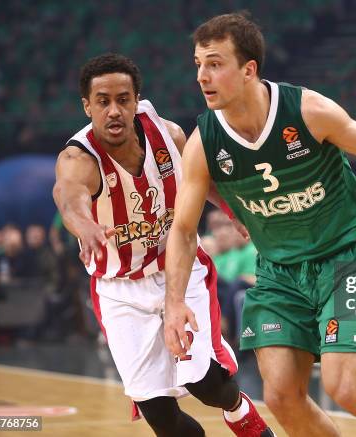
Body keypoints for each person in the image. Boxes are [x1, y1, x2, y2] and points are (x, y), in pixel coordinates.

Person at [164, 13, 356, 437]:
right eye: (198, 64)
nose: (202, 75)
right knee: (281, 397)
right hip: (279, 272)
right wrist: (175, 302)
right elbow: (183, 230)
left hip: (348, 259)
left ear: (248, 69)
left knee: (344, 386)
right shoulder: (204, 143)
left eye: (214, 63)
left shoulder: (308, 110)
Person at [53, 53, 273, 437]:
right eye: (103, 101)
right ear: (87, 106)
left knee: (205, 384)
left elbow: (200, 180)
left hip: (179, 269)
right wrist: (84, 225)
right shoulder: (78, 157)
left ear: (136, 100)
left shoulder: (168, 135)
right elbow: (68, 196)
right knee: (161, 416)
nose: (114, 110)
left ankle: (238, 409)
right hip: (120, 289)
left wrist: (235, 212)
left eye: (123, 99)